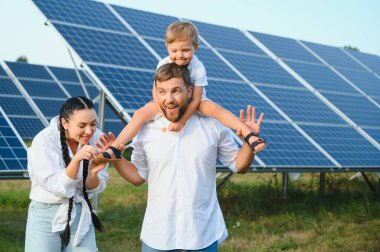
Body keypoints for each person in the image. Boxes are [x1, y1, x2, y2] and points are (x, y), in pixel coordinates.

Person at [100, 63, 264, 251]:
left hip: (202, 234)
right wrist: (117, 160)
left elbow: (239, 165)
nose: (168, 99)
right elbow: (138, 177)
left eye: (176, 91)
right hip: (158, 236)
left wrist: (248, 143)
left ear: (190, 91)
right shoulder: (145, 130)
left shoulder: (213, 126)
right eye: (162, 92)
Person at [100, 21, 266, 161]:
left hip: (195, 101)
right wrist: (163, 112)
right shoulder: (163, 63)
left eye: (185, 50)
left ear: (195, 47)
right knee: (139, 115)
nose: (179, 55)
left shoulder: (198, 67)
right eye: (174, 51)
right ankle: (116, 146)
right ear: (167, 47)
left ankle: (250, 135)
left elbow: (195, 100)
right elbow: (155, 91)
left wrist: (180, 122)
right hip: (168, 99)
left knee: (215, 109)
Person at [25, 96, 111, 251]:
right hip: (45, 215)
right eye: (82, 125)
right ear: (64, 123)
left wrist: (92, 173)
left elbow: (94, 187)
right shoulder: (43, 142)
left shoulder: (97, 138)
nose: (89, 131)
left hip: (79, 211)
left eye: (93, 124)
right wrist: (77, 159)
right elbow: (59, 187)